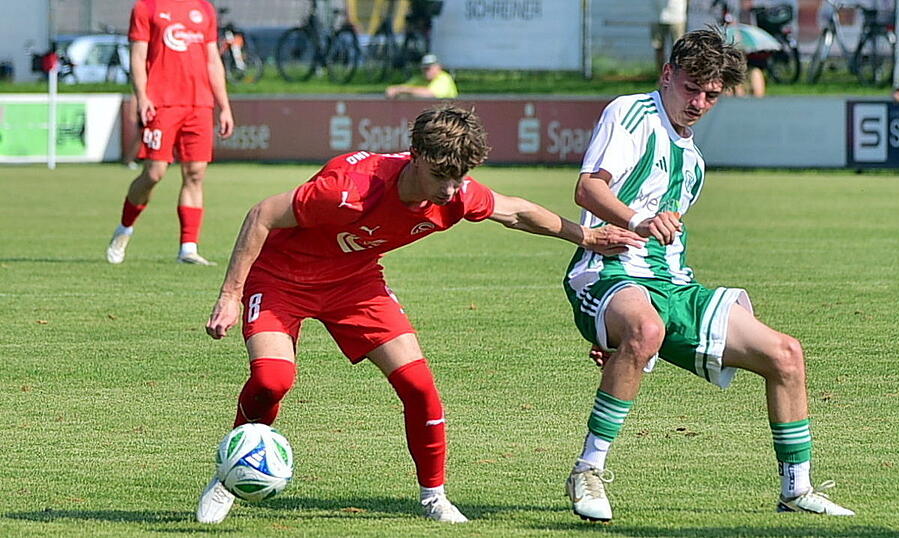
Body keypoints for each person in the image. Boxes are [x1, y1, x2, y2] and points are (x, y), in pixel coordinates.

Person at [194, 104, 643, 524]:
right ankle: (230, 475)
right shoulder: (348, 189)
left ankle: (434, 497)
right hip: (281, 280)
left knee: (418, 385)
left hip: (355, 285)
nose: (450, 189)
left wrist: (584, 235)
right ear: (415, 156)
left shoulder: (457, 194)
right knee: (273, 380)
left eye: (459, 177)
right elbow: (261, 215)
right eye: (441, 175)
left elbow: (517, 211)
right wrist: (231, 294)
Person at [562, 28, 855, 522]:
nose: (699, 101)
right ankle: (588, 469)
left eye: (712, 94)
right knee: (645, 328)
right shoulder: (631, 112)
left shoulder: (694, 163)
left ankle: (796, 488)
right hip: (607, 271)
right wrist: (635, 220)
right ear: (667, 74)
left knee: (786, 354)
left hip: (673, 286)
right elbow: (588, 188)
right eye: (691, 87)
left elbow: (669, 241)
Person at [106, 0, 234, 266]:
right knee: (154, 173)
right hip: (162, 103)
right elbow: (138, 57)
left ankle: (188, 248)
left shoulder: (204, 8)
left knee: (195, 174)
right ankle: (124, 229)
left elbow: (212, 60)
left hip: (199, 104)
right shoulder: (147, 7)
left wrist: (224, 106)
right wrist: (142, 97)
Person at [385, 54, 458, 99]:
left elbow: (430, 94)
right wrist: (396, 90)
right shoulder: (419, 79)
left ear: (438, 67)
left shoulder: (444, 78)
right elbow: (405, 88)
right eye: (424, 68)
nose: (427, 71)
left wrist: (403, 90)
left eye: (429, 68)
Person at [652, 0, 688, 68]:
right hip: (656, 15)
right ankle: (662, 76)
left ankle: (677, 74)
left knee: (679, 48)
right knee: (658, 47)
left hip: (677, 16)